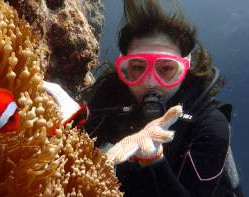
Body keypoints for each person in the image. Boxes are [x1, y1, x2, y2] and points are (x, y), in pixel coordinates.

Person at [81, 0, 245, 196]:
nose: (150, 83)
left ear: (184, 69)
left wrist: (155, 159)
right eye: (138, 68)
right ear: (124, 69)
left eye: (166, 69)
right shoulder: (110, 97)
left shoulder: (210, 123)